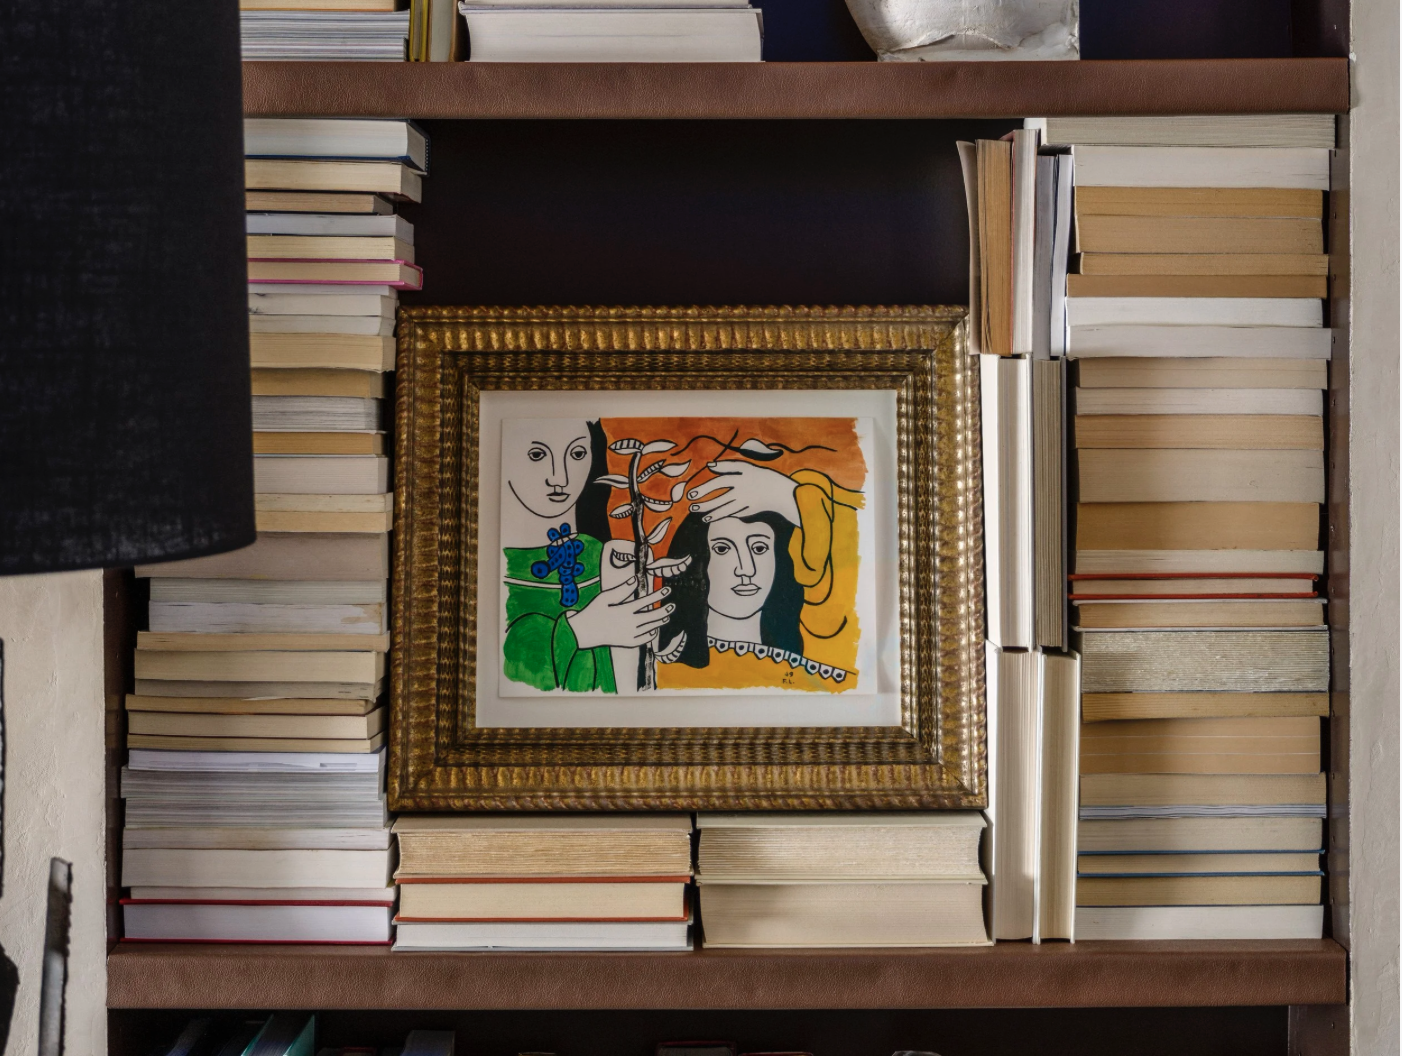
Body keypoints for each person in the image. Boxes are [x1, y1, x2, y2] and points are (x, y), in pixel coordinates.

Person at [655, 459, 863, 692]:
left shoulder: (815, 678)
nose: (746, 569)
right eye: (723, 549)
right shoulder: (655, 669)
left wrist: (790, 498)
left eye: (759, 548)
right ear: (694, 563)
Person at [500, 418, 673, 693]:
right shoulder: (491, 566)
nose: (560, 478)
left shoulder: (611, 557)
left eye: (577, 454)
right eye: (537, 455)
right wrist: (579, 631)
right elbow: (503, 672)